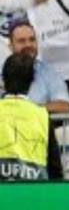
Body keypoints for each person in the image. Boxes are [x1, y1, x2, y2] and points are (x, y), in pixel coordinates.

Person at [0, 53, 50, 181]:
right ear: (31, 82)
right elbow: (55, 166)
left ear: (3, 80)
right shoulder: (42, 115)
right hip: (34, 193)